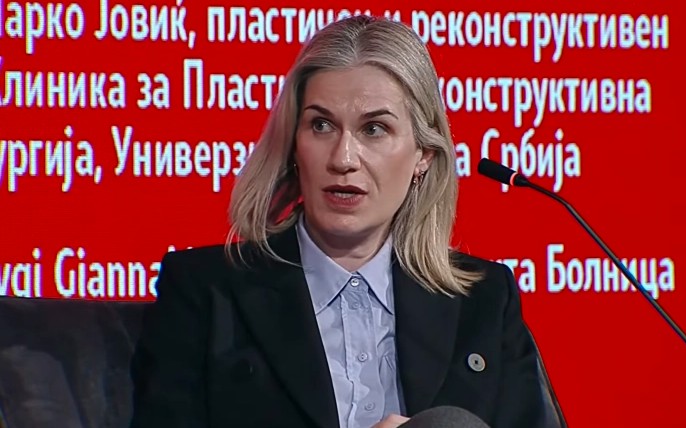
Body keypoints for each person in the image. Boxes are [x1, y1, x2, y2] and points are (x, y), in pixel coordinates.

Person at [129, 14, 548, 428]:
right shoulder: (205, 291)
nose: (343, 159)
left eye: (374, 129)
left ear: (423, 155)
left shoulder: (484, 300)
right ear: (294, 145)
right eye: (321, 125)